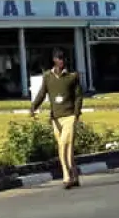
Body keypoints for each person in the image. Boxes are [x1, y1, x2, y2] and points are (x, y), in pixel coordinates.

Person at [30, 48, 84, 189]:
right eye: (59, 58)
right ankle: (75, 176)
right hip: (56, 117)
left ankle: (66, 176)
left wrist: (77, 113)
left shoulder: (73, 76)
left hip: (70, 115)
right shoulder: (48, 76)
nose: (62, 61)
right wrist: (33, 107)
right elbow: (42, 93)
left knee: (64, 144)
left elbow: (78, 96)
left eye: (64, 58)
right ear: (54, 60)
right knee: (64, 147)